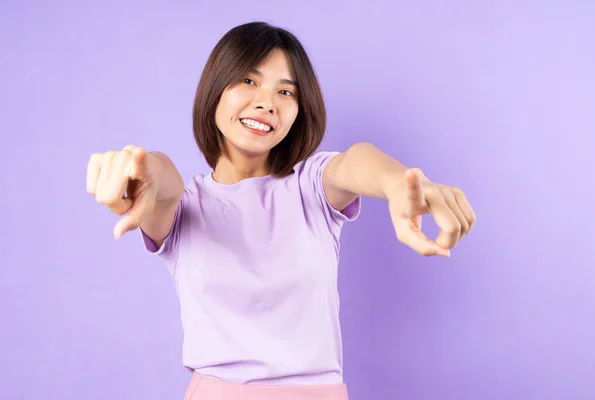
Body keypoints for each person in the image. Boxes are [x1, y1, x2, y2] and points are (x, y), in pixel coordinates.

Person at [86, 21, 475, 400]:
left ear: (299, 110)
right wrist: (144, 170)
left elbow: (355, 162)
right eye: (249, 81)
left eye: (286, 92)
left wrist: (396, 183)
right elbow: (162, 178)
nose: (266, 102)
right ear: (215, 89)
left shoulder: (310, 189)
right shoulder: (183, 206)